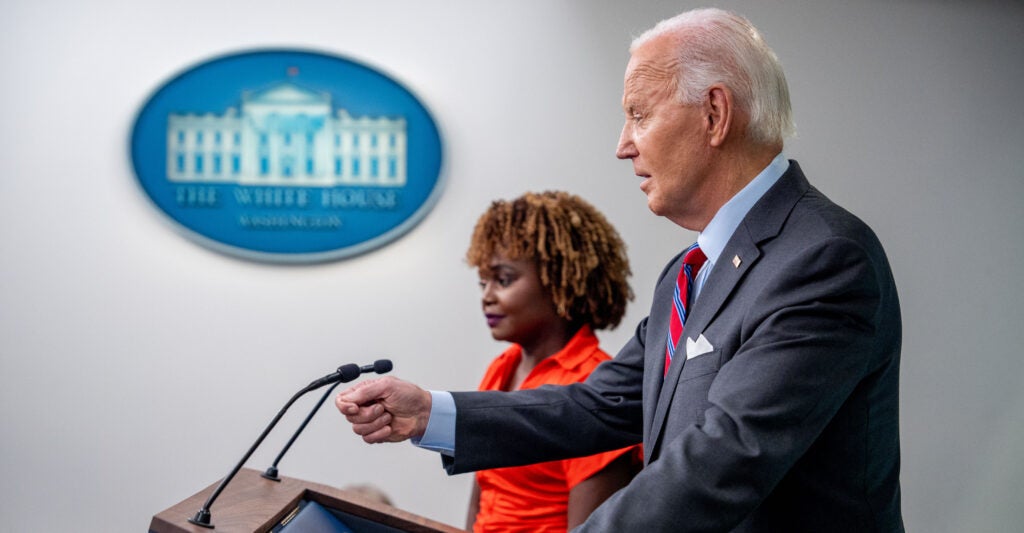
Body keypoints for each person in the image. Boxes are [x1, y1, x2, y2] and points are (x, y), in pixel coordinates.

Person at [337, 7, 903, 532]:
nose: (623, 145)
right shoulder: (687, 272)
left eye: (638, 115)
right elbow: (597, 404)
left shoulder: (823, 258)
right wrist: (429, 413)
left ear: (714, 113)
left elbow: (725, 460)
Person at [462, 191, 641, 532]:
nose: (486, 296)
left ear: (560, 281)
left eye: (504, 280)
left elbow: (591, 527)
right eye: (483, 281)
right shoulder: (502, 367)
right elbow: (482, 499)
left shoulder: (597, 383)